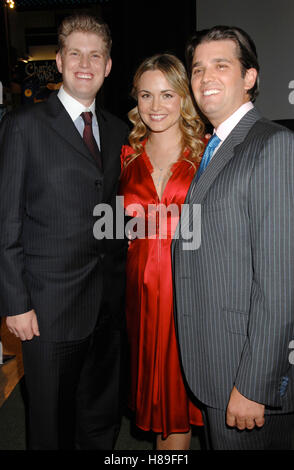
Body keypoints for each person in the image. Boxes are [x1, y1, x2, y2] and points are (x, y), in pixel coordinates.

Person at [0, 13, 129, 450]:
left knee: (100, 421)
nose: (85, 63)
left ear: (109, 65)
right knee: (50, 425)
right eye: (75, 53)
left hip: (109, 310)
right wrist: (16, 303)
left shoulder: (121, 132)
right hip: (47, 311)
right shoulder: (24, 126)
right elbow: (6, 220)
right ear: (58, 61)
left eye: (96, 54)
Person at [172, 25, 294, 450]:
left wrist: (255, 384)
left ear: (250, 78)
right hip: (215, 363)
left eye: (221, 66)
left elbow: (280, 283)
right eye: (198, 68)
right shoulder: (216, 147)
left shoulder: (273, 145)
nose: (205, 77)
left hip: (243, 377)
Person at [119, 53, 205, 450]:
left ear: (184, 98)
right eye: (146, 95)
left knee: (179, 409)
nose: (155, 106)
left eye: (167, 94)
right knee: (158, 411)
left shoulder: (206, 154)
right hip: (140, 299)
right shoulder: (126, 157)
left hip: (189, 296)